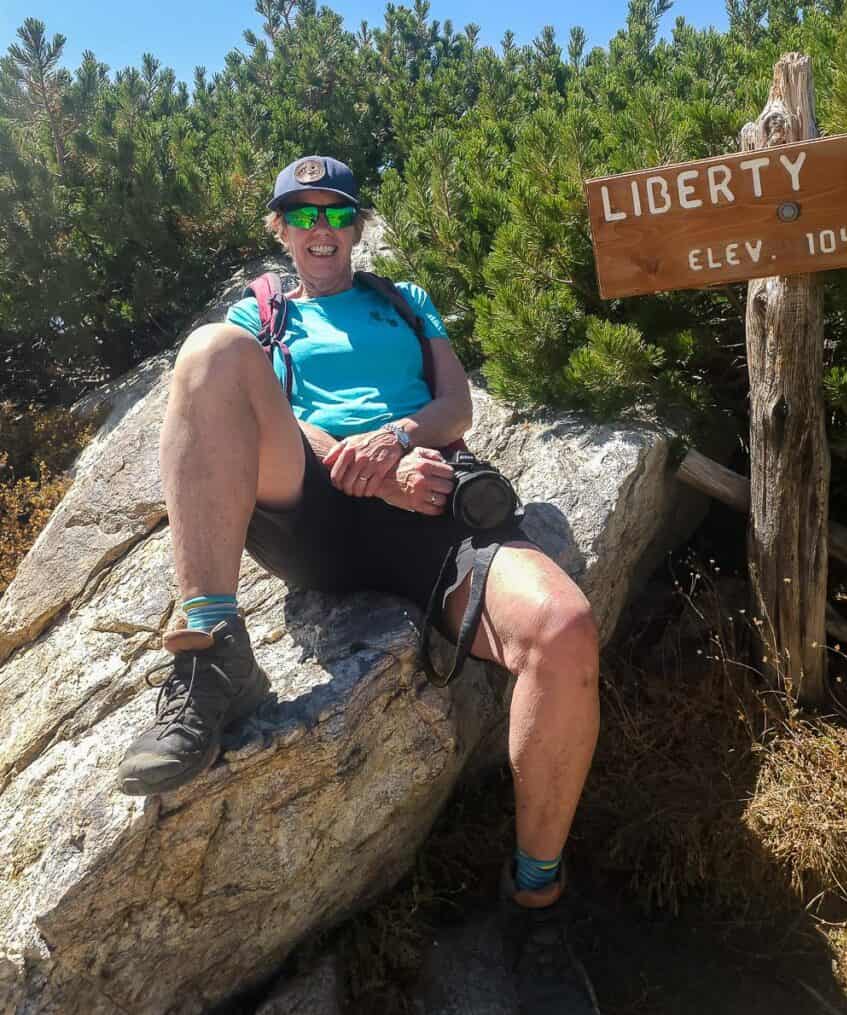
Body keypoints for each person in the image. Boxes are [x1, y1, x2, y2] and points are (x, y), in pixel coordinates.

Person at [117, 156, 601, 1012]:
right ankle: (211, 654)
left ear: (357, 225)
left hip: (433, 507)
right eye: (299, 216)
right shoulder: (261, 314)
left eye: (335, 213)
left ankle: (536, 897)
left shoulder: (403, 299)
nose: (319, 229)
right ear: (279, 232)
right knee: (208, 355)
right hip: (311, 507)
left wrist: (401, 436)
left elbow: (457, 407)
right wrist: (361, 466)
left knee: (562, 627)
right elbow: (253, 410)